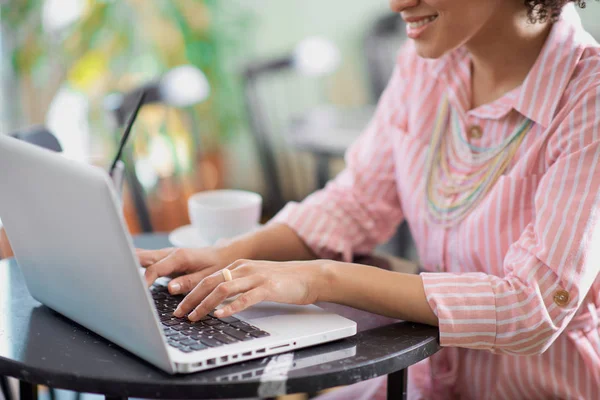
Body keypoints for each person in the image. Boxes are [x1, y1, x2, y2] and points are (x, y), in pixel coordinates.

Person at [137, 0, 600, 398]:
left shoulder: (589, 100)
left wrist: (318, 278)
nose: (396, 3)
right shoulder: (424, 66)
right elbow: (357, 202)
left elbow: (532, 306)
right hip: (420, 383)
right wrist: (224, 255)